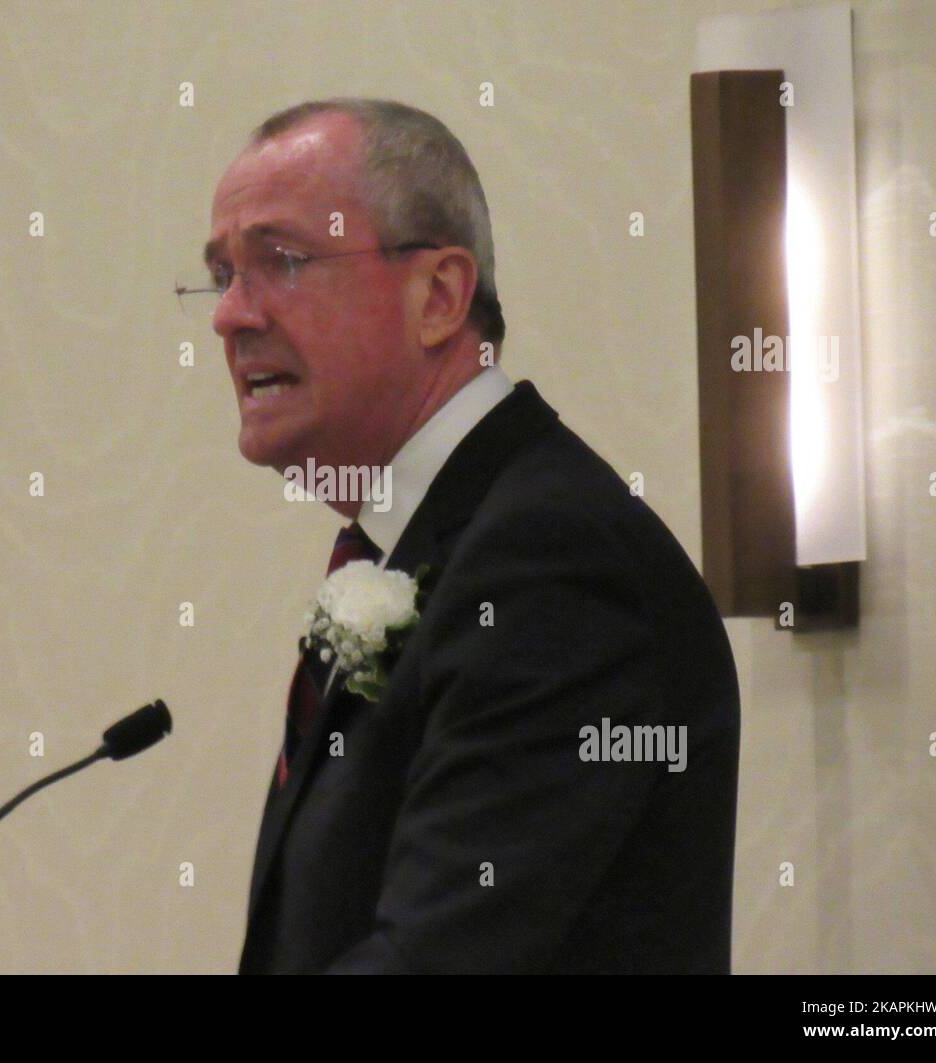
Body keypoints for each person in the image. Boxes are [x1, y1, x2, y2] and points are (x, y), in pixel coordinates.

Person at [195, 97, 740, 973]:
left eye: (283, 261)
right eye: (222, 274)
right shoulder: (432, 543)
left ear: (440, 296)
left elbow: (440, 956)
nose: (229, 316)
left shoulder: (554, 563)